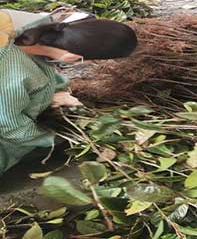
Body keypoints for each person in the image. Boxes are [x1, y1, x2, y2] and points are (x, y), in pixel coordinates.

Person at [0, 10, 137, 176]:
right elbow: (10, 126)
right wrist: (52, 138)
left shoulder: (41, 29)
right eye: (92, 60)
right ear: (75, 57)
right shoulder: (14, 70)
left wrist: (59, 90)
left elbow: (43, 66)